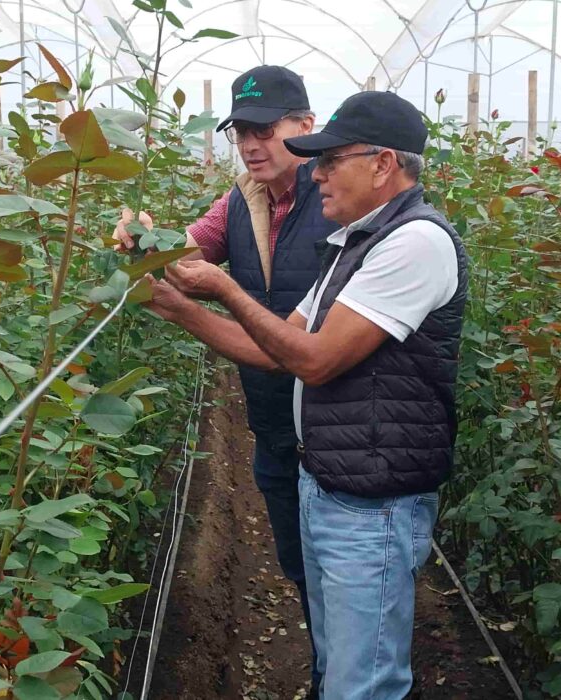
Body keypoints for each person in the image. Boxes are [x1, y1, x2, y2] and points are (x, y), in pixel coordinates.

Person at [143, 91, 468, 699]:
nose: (316, 174)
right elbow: (279, 347)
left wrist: (224, 288)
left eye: (330, 161)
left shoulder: (415, 242)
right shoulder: (355, 244)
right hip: (328, 482)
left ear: (381, 163)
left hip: (374, 503)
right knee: (337, 658)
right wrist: (176, 306)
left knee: (362, 681)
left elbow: (313, 363)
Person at [114, 65, 338, 696]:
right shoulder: (243, 200)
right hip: (274, 427)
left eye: (265, 129)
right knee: (300, 570)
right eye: (241, 130)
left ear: (305, 126)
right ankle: (325, 671)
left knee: (342, 582)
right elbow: (188, 250)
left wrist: (209, 294)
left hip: (338, 429)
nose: (250, 143)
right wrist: (141, 240)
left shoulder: (338, 200)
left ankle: (337, 677)